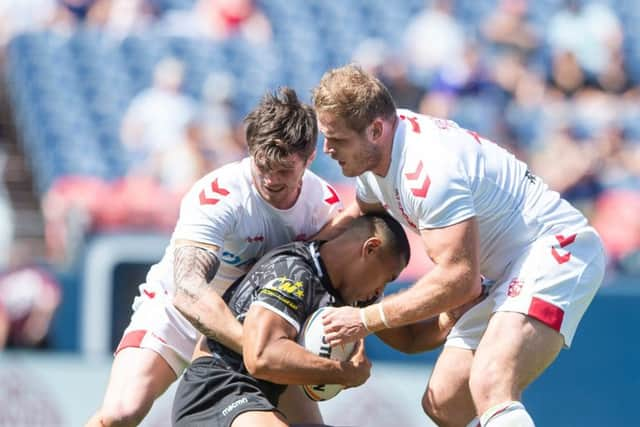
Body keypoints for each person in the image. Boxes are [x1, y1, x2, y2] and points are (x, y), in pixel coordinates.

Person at [312, 64, 606, 427]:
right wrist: (306, 251)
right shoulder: (381, 152)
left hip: (554, 249)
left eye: (337, 140)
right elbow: (357, 213)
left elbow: (460, 279)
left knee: (490, 383)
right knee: (446, 403)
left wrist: (364, 319)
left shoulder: (430, 170)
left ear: (375, 130)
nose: (327, 149)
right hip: (501, 271)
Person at [87, 87, 344, 427]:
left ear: (309, 158)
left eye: (283, 170)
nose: (269, 178)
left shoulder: (322, 207)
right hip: (181, 313)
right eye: (262, 164)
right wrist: (257, 347)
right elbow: (188, 291)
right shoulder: (221, 195)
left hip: (258, 323)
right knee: (121, 412)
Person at [172, 213, 464, 427]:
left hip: (262, 396)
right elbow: (261, 357)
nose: (379, 291)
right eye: (386, 278)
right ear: (370, 248)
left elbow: (410, 339)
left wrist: (450, 317)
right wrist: (342, 373)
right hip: (220, 390)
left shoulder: (345, 292)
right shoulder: (293, 273)